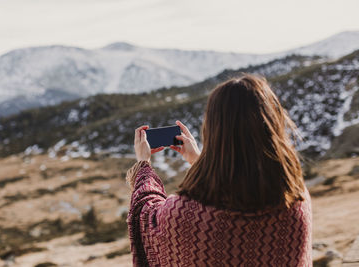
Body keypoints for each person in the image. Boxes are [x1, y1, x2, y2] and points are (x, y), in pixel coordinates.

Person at [126, 74, 312, 266]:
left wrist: (144, 164)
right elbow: (239, 185)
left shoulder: (189, 215)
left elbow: (148, 217)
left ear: (214, 129)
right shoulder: (296, 199)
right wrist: (197, 160)